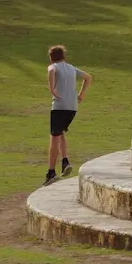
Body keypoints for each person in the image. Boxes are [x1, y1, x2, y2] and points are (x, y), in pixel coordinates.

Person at [44, 44, 90, 184]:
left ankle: (51, 172)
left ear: (51, 58)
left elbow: (51, 71)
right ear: (63, 56)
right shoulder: (71, 68)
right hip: (72, 107)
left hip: (59, 106)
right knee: (61, 133)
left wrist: (52, 88)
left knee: (54, 138)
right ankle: (65, 161)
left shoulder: (53, 67)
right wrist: (81, 94)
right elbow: (88, 77)